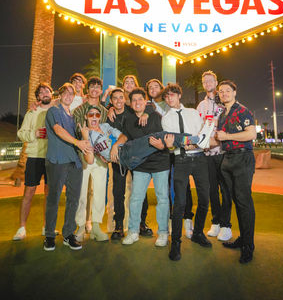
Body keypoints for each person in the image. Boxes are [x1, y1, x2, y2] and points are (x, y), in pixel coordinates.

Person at [161, 83, 217, 261]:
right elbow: (174, 140)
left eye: (172, 95)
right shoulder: (166, 118)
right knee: (180, 203)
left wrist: (200, 140)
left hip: (200, 159)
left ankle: (198, 233)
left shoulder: (193, 113)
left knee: (205, 199)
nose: (170, 98)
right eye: (166, 96)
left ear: (179, 95)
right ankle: (176, 242)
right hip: (181, 160)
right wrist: (188, 142)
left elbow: (203, 134)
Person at [111, 88, 170, 247]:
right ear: (130, 103)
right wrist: (116, 145)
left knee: (162, 198)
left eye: (140, 99)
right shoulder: (129, 119)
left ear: (146, 101)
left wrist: (162, 144)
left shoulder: (156, 117)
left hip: (160, 163)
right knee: (136, 198)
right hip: (141, 165)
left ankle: (163, 232)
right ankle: (133, 231)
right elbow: (126, 135)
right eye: (134, 100)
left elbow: (169, 137)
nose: (137, 102)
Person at [43, 83, 92, 251]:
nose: (69, 96)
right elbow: (58, 130)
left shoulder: (73, 118)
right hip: (57, 161)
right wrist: (78, 141)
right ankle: (49, 235)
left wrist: (84, 137)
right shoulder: (53, 111)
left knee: (73, 200)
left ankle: (68, 234)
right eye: (66, 92)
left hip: (75, 163)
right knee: (53, 199)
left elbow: (82, 139)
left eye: (72, 93)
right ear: (60, 94)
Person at [146, 78, 194, 239]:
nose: (153, 89)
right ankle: (169, 221)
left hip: (177, 150)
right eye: (150, 87)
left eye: (156, 86)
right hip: (161, 151)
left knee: (182, 184)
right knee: (165, 187)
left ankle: (187, 218)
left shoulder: (170, 104)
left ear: (162, 89)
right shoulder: (147, 106)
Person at [216, 80, 256, 264]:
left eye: (227, 90)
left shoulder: (242, 110)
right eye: (221, 91)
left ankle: (248, 246)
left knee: (244, 202)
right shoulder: (222, 115)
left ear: (234, 92)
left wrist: (228, 136)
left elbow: (251, 134)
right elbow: (218, 139)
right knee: (236, 201)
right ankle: (243, 239)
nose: (224, 93)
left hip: (242, 159)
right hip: (228, 159)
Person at [13, 83, 54, 241]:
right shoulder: (32, 112)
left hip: (51, 157)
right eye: (41, 92)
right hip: (34, 157)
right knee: (29, 192)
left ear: (51, 94)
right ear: (37, 97)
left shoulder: (56, 110)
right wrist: (34, 133)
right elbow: (21, 133)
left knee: (49, 194)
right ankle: (22, 228)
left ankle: (47, 227)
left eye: (47, 91)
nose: (44, 93)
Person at [75, 105, 121, 242]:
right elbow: (88, 158)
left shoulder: (105, 127)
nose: (94, 117)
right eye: (91, 115)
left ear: (100, 117)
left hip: (101, 163)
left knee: (100, 193)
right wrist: (85, 136)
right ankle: (81, 227)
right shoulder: (83, 130)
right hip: (85, 160)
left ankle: (96, 226)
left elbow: (117, 138)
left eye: (97, 115)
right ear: (86, 117)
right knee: (82, 193)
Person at [197, 70, 232, 241]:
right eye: (205, 81)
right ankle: (216, 222)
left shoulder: (225, 101)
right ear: (203, 85)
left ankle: (226, 225)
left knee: (226, 189)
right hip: (208, 154)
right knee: (212, 190)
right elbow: (198, 128)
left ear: (216, 82)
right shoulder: (201, 106)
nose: (208, 83)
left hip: (224, 152)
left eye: (211, 80)